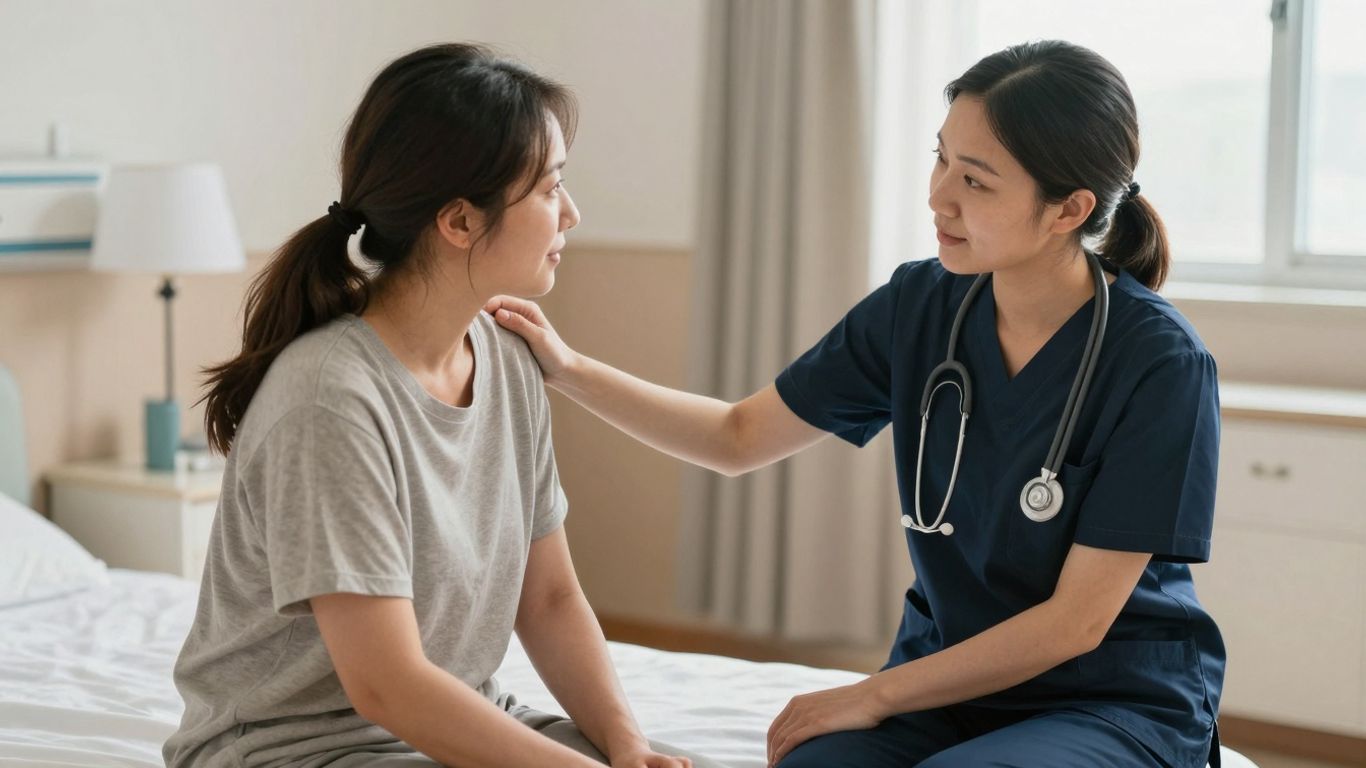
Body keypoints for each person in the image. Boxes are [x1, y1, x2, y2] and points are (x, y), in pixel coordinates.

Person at [488, 40, 1224, 768]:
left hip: (1106, 700)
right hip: (949, 688)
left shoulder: (1159, 363)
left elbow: (1075, 623)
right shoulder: (920, 308)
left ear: (1070, 209)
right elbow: (738, 437)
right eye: (940, 159)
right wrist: (568, 368)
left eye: (976, 180)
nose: (939, 195)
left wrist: (873, 695)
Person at [165, 43, 715, 768]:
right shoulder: (329, 400)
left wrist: (626, 747)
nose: (572, 214)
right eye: (550, 190)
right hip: (295, 748)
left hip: (449, 723)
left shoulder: (510, 358)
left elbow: (547, 600)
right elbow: (387, 688)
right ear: (458, 221)